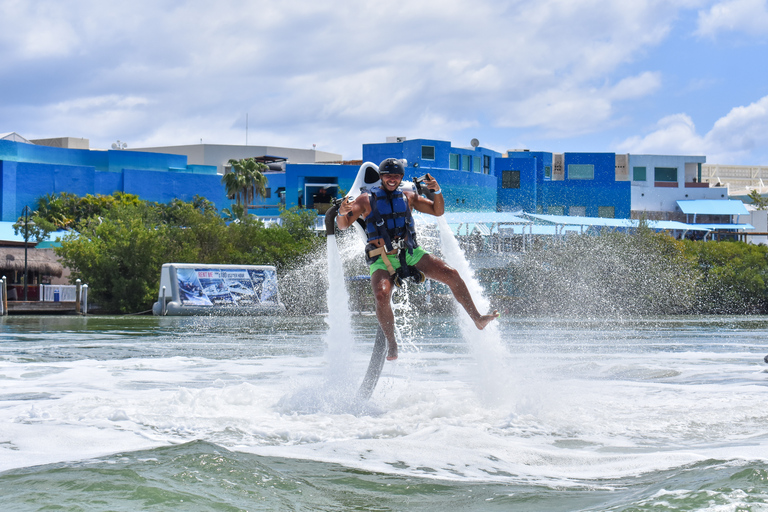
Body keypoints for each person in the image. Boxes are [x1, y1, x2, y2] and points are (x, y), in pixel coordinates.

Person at [336, 158, 498, 361]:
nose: (392, 179)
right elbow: (343, 225)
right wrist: (342, 213)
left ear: (401, 177)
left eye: (396, 176)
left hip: (411, 253)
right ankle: (392, 343)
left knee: (452, 274)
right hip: (381, 258)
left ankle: (478, 318)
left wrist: (437, 191)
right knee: (381, 295)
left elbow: (437, 211)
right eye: (388, 175)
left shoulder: (408, 197)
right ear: (381, 177)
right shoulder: (364, 200)